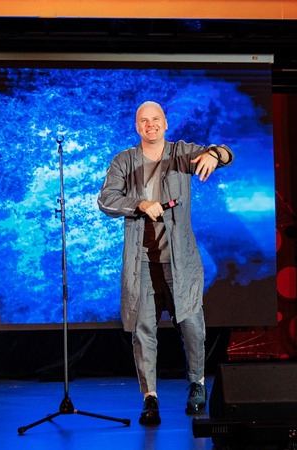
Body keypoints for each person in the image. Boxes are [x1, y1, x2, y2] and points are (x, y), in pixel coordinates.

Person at [97, 100, 233, 426]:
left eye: (155, 119)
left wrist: (215, 155)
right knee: (143, 330)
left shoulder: (180, 154)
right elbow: (106, 199)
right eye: (144, 121)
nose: (150, 125)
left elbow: (227, 153)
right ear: (137, 127)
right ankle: (150, 397)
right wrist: (140, 204)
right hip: (142, 262)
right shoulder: (124, 161)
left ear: (165, 123)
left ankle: (197, 383)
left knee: (192, 325)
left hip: (180, 260)